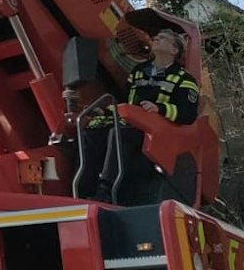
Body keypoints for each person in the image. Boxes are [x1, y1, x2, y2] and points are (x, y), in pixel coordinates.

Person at [73, 28, 201, 203]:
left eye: (163, 38)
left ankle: (107, 191)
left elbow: (188, 114)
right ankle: (83, 190)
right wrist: (104, 111)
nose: (156, 38)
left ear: (174, 50)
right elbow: (125, 99)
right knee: (91, 132)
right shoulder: (139, 71)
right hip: (129, 124)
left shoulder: (185, 79)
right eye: (156, 36)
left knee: (118, 135)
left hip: (156, 135)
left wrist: (160, 109)